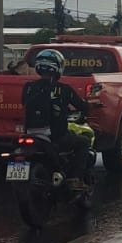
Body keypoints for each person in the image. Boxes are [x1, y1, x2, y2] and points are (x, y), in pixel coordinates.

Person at [22, 49, 93, 188]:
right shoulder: (64, 89)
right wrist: (89, 106)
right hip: (56, 137)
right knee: (84, 142)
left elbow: (24, 103)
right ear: (58, 68)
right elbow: (81, 106)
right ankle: (75, 179)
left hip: (30, 133)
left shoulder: (28, 87)